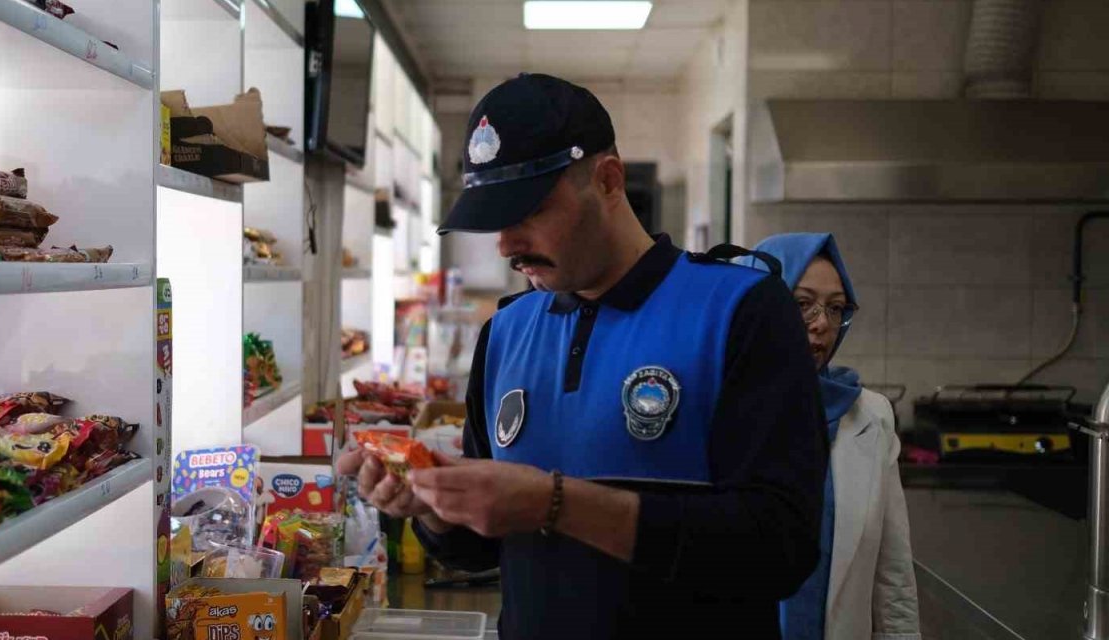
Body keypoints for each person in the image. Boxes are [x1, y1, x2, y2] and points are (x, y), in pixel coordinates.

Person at [337, 73, 828, 639]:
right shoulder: (506, 332)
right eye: (495, 219)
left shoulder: (740, 309)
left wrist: (555, 503)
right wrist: (424, 502)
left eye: (529, 211)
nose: (505, 244)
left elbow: (781, 548)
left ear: (609, 180)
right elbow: (477, 549)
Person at [742, 234, 921, 640]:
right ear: (757, 305)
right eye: (802, 303)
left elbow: (892, 578)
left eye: (835, 308)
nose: (822, 323)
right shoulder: (715, 407)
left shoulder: (870, 416)